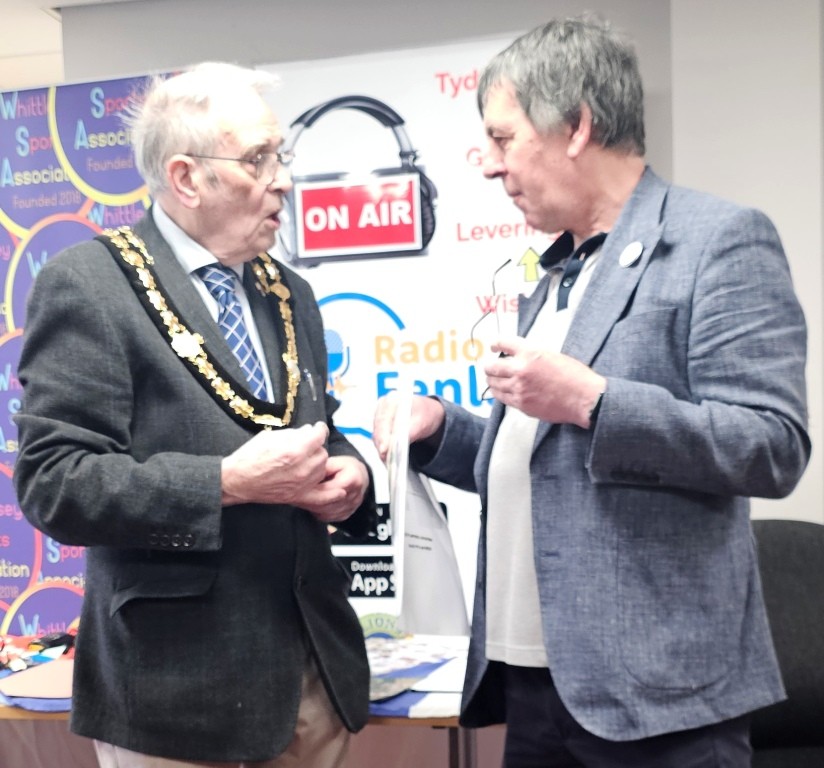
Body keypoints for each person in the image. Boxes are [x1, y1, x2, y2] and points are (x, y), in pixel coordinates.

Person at [373, 15, 810, 768]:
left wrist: (593, 401)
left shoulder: (719, 240)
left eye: (503, 138)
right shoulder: (555, 273)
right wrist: (441, 428)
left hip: (659, 699)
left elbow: (771, 446)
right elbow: (548, 458)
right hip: (534, 687)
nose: (489, 165)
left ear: (576, 126)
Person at [14, 62, 376, 768]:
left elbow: (317, 424)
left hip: (310, 676)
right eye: (258, 159)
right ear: (186, 178)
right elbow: (55, 482)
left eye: (281, 156)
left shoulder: (289, 292)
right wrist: (225, 483)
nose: (283, 180)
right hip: (175, 694)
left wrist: (347, 474)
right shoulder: (91, 285)